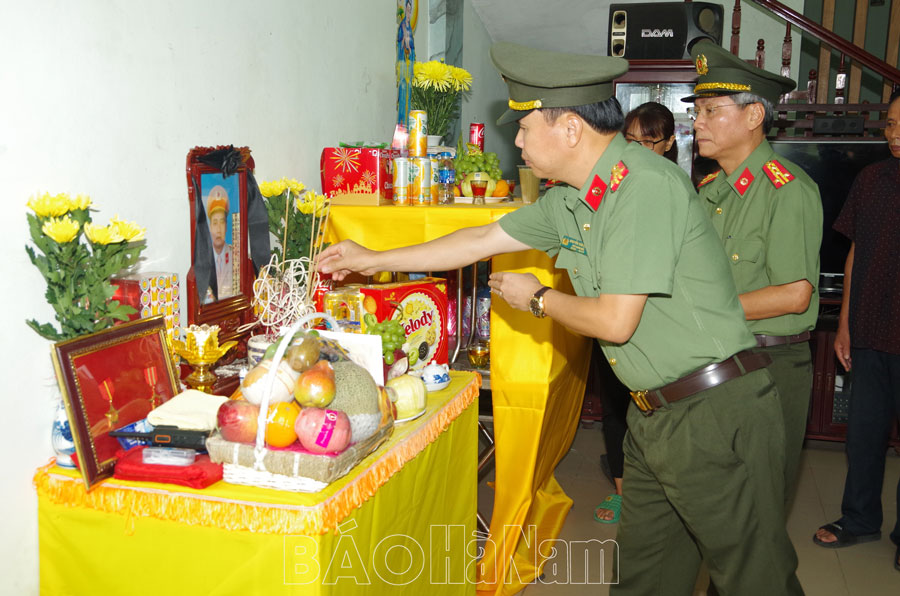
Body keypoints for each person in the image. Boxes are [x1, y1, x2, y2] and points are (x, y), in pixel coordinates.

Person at [318, 41, 801, 595]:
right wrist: (371, 259)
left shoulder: (643, 186)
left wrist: (538, 298)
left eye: (524, 126)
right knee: (646, 577)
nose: (517, 139)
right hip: (656, 414)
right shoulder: (573, 197)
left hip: (714, 413)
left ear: (570, 128)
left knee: (755, 579)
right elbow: (479, 238)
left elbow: (616, 321)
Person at [687, 40, 822, 501]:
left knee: (758, 508)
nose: (697, 121)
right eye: (697, 110)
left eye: (710, 110)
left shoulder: (786, 191)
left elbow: (793, 296)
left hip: (770, 364)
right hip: (718, 358)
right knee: (716, 502)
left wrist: (702, 313)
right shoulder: (711, 192)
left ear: (753, 116)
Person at [813, 89, 900, 573]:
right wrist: (844, 322)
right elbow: (854, 253)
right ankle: (860, 518)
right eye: (889, 124)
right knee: (863, 436)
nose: (894, 133)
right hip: (868, 329)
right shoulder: (872, 179)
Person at [593, 101, 678, 525]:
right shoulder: (610, 186)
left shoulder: (680, 187)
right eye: (631, 141)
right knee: (614, 404)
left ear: (670, 143)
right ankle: (624, 491)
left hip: (658, 322)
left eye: (650, 141)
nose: (640, 149)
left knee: (656, 410)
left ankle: (659, 491)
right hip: (611, 310)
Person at [207, 186, 234, 300]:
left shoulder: (235, 256)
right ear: (210, 227)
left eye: (222, 222)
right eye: (215, 223)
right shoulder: (204, 259)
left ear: (226, 226)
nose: (218, 229)